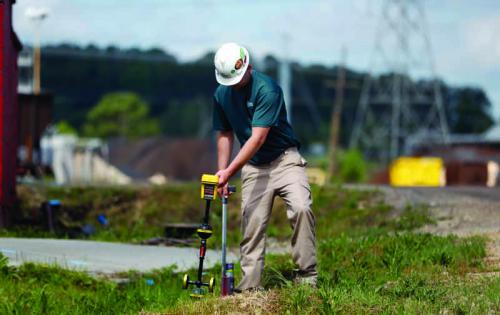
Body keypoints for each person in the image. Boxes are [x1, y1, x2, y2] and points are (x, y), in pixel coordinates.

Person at [212, 42, 317, 292]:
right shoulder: (221, 94)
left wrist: (230, 171)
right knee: (252, 223)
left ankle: (306, 277)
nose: (235, 84)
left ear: (247, 65)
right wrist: (221, 172)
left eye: (237, 78)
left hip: (285, 160)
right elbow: (225, 133)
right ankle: (249, 286)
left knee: (302, 208)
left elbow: (257, 138)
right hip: (254, 166)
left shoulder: (267, 89)